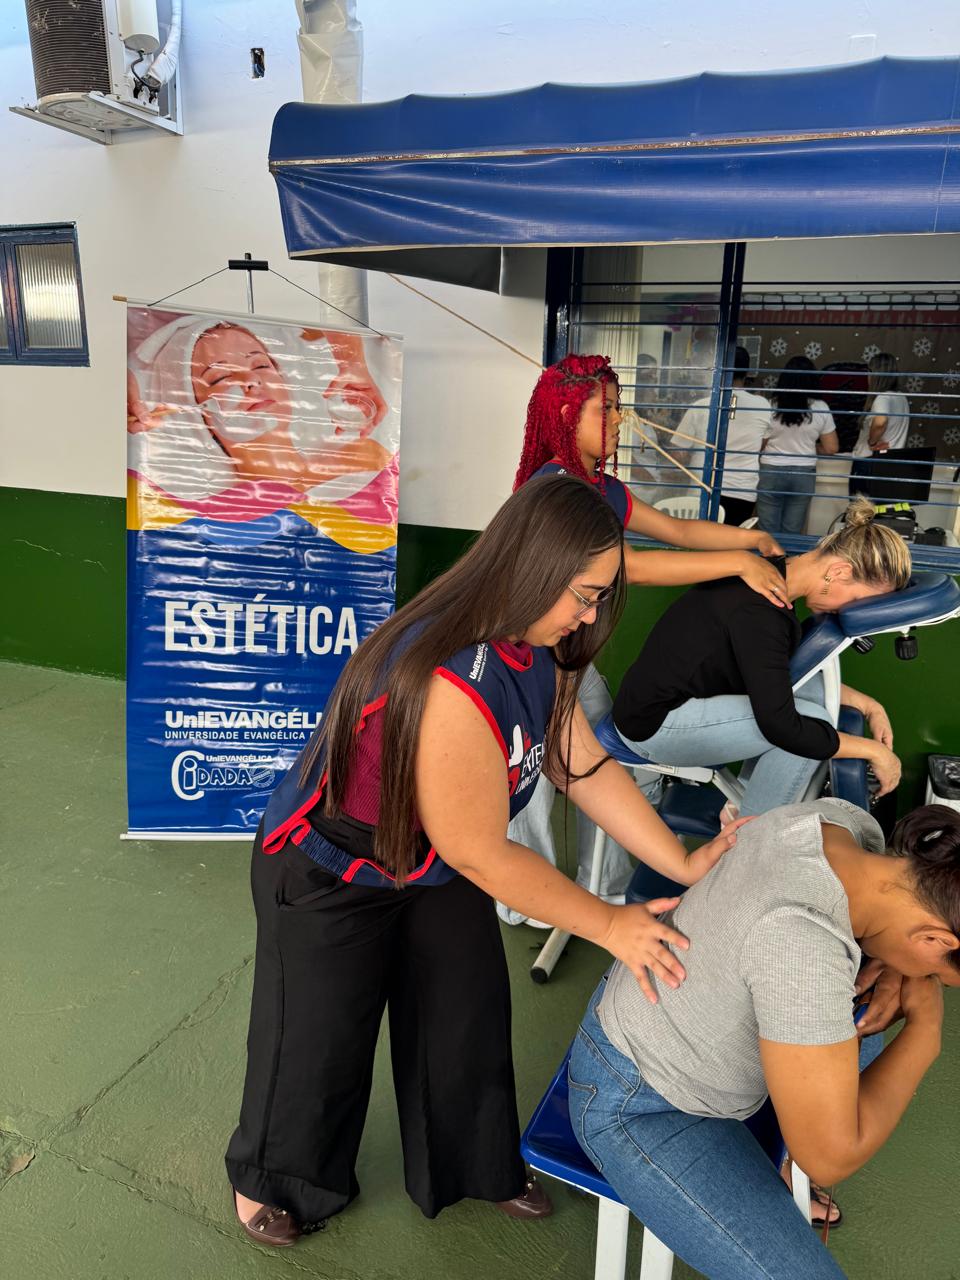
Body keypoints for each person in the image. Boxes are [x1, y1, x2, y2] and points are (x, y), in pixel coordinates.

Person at [225, 474, 749, 1245]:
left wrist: (681, 860)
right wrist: (613, 926)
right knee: (316, 1038)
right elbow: (480, 852)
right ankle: (273, 1179)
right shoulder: (452, 678)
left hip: (431, 862)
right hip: (334, 868)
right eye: (584, 594)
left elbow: (578, 762)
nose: (590, 614)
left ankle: (475, 1166)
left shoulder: (545, 644)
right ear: (533, 568)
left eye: (602, 597)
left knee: (464, 1011)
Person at [569, 798, 960, 1279]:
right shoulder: (801, 945)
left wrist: (898, 965)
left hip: (652, 1013)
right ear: (935, 940)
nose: (930, 982)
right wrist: (926, 1030)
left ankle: (784, 1159)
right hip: (640, 1101)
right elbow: (831, 1155)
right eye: (939, 975)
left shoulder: (836, 821)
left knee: (868, 997)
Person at [504, 354, 787, 921]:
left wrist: (749, 541)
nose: (618, 420)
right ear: (566, 413)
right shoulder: (555, 487)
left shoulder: (602, 487)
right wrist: (739, 562)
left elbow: (677, 530)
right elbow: (629, 566)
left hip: (570, 656)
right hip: (523, 655)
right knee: (528, 778)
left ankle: (606, 884)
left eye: (617, 407)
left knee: (608, 753)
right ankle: (522, 902)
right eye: (605, 409)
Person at [613, 499, 910, 818]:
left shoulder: (771, 576)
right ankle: (753, 834)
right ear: (839, 572)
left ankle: (738, 809)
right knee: (809, 725)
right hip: (654, 725)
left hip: (675, 701)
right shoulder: (762, 610)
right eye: (856, 599)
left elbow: (783, 675)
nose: (848, 611)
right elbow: (782, 727)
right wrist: (875, 752)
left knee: (813, 704)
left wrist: (870, 706)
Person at [671, 345, 773, 526]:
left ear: (717, 367)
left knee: (700, 541)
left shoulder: (701, 405)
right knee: (731, 541)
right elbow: (761, 445)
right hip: (742, 492)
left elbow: (678, 453)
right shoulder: (763, 405)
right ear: (747, 373)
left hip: (702, 489)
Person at [756, 356, 839, 535]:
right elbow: (831, 448)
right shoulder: (821, 407)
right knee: (792, 531)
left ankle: (767, 554)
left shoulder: (770, 405)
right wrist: (810, 446)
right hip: (803, 473)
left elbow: (760, 444)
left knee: (767, 532)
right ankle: (788, 554)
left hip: (771, 471)